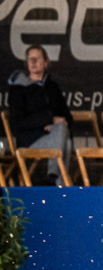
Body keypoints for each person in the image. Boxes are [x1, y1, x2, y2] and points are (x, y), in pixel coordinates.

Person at [7, 44, 73, 184]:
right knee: (65, 139)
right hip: (30, 140)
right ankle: (57, 181)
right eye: (30, 59)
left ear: (46, 62)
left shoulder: (52, 87)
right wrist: (47, 122)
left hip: (54, 138)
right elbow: (17, 122)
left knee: (63, 132)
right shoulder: (18, 89)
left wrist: (61, 123)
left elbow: (67, 115)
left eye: (37, 58)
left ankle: (56, 179)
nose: (33, 62)